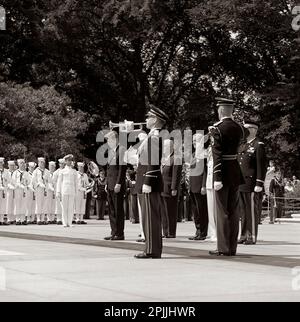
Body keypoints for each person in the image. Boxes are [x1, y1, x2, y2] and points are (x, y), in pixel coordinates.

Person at [209, 97, 245, 257]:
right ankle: (232, 247)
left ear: (221, 110)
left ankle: (223, 247)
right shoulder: (240, 128)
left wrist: (217, 177)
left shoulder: (216, 129)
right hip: (235, 171)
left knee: (222, 211)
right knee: (234, 211)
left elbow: (216, 155)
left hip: (222, 172)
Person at [134, 105, 168, 259]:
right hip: (147, 179)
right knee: (148, 217)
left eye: (149, 117)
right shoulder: (151, 136)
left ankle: (152, 250)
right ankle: (151, 248)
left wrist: (147, 181)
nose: (146, 119)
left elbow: (154, 162)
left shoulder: (154, 137)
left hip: (150, 181)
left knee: (150, 218)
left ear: (155, 120)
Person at [238, 120, 267, 245]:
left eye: (247, 129)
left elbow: (262, 166)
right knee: (243, 211)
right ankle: (243, 234)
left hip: (251, 183)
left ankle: (252, 235)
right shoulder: (243, 145)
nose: (244, 131)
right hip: (241, 183)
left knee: (251, 211)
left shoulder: (258, 145)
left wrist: (259, 183)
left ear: (254, 130)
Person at [104, 130, 127, 241]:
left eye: (109, 140)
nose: (108, 142)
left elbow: (122, 169)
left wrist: (119, 183)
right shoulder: (111, 151)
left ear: (115, 139)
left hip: (117, 185)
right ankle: (113, 232)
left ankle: (119, 233)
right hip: (110, 184)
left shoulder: (121, 150)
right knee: (112, 210)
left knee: (118, 210)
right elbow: (109, 170)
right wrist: (107, 183)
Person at [188, 133, 208, 241]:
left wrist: (204, 185)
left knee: (202, 210)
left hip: (200, 185)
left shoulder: (204, 154)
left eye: (196, 141)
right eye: (193, 141)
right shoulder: (194, 154)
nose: (194, 143)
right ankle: (198, 230)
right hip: (193, 185)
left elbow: (205, 171)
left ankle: (203, 232)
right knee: (195, 211)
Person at [161, 139, 182, 238]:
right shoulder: (165, 158)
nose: (164, 148)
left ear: (171, 147)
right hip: (163, 188)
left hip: (170, 188)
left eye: (166, 146)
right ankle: (165, 231)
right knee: (164, 211)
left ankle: (171, 232)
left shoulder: (176, 158)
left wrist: (174, 188)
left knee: (171, 211)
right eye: (164, 146)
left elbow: (176, 175)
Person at [202, 130, 217, 242]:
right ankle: (213, 233)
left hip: (216, 182)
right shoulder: (208, 150)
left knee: (217, 210)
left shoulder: (218, 149)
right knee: (210, 210)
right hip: (209, 182)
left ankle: (218, 233)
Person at [56, 154, 78, 228]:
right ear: (65, 161)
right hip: (64, 190)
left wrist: (76, 192)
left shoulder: (74, 171)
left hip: (71, 190)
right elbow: (59, 182)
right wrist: (58, 192)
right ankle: (65, 222)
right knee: (64, 207)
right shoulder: (62, 171)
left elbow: (76, 183)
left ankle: (70, 222)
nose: (69, 162)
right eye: (68, 160)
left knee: (71, 207)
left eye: (70, 160)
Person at [32, 157, 50, 225]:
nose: (42, 164)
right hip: (39, 189)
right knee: (39, 203)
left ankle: (43, 218)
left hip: (45, 189)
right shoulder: (36, 171)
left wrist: (46, 182)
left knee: (44, 204)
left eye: (43, 162)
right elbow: (33, 180)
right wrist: (38, 184)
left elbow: (50, 180)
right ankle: (38, 219)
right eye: (40, 162)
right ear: (38, 163)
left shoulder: (47, 171)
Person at [13, 159, 31, 225]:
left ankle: (23, 219)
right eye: (21, 163)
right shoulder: (15, 172)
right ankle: (17, 219)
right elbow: (13, 182)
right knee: (18, 204)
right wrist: (18, 184)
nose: (22, 164)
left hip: (24, 190)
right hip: (17, 190)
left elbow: (29, 182)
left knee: (24, 204)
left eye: (23, 163)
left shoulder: (26, 173)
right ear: (18, 164)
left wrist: (26, 184)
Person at [53, 158, 65, 225]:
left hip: (64, 190)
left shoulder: (66, 171)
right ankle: (58, 219)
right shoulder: (56, 172)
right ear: (59, 164)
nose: (62, 165)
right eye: (61, 163)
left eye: (63, 164)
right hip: (58, 190)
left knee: (64, 204)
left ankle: (64, 218)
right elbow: (53, 181)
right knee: (58, 205)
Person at [0, 158, 10, 225]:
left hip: (4, 191)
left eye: (1, 162)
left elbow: (9, 181)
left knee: (3, 205)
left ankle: (2, 220)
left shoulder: (6, 171)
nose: (0, 164)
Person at [6, 160, 16, 225]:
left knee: (14, 204)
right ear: (8, 166)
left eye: (13, 165)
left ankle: (14, 218)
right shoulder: (6, 172)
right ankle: (9, 218)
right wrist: (9, 186)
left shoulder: (16, 172)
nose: (12, 166)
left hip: (15, 190)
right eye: (10, 165)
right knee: (9, 204)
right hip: (8, 190)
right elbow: (6, 181)